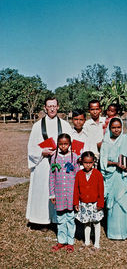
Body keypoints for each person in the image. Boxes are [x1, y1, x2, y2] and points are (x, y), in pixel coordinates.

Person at [26, 97, 72, 229]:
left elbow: (71, 144)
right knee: (42, 190)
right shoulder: (37, 126)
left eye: (54, 106)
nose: (52, 108)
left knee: (58, 190)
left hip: (60, 164)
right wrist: (42, 152)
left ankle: (58, 219)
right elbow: (31, 147)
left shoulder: (65, 125)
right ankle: (41, 220)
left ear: (58, 107)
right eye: (49, 106)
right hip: (43, 164)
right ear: (45, 108)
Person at [100, 117, 127, 240]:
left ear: (122, 128)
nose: (116, 130)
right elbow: (103, 161)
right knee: (114, 204)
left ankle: (125, 229)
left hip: (124, 176)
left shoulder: (126, 140)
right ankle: (115, 232)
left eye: (118, 127)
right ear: (109, 128)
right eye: (113, 127)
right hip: (112, 176)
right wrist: (115, 164)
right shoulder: (106, 142)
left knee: (126, 202)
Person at [49, 133, 80, 252]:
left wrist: (77, 195)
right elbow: (51, 176)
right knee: (60, 218)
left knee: (70, 218)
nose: (63, 146)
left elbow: (77, 176)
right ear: (57, 144)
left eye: (65, 144)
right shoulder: (54, 157)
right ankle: (61, 241)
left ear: (70, 144)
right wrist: (52, 194)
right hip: (59, 193)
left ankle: (70, 241)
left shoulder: (74, 157)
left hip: (71, 193)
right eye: (60, 144)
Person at [73, 151, 104, 252]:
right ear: (82, 162)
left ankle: (96, 244)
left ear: (93, 162)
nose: (88, 165)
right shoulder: (79, 174)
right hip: (84, 204)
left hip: (95, 204)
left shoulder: (97, 174)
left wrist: (100, 203)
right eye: (86, 162)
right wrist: (76, 203)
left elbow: (101, 189)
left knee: (96, 223)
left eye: (90, 163)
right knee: (86, 223)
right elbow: (76, 190)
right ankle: (86, 242)